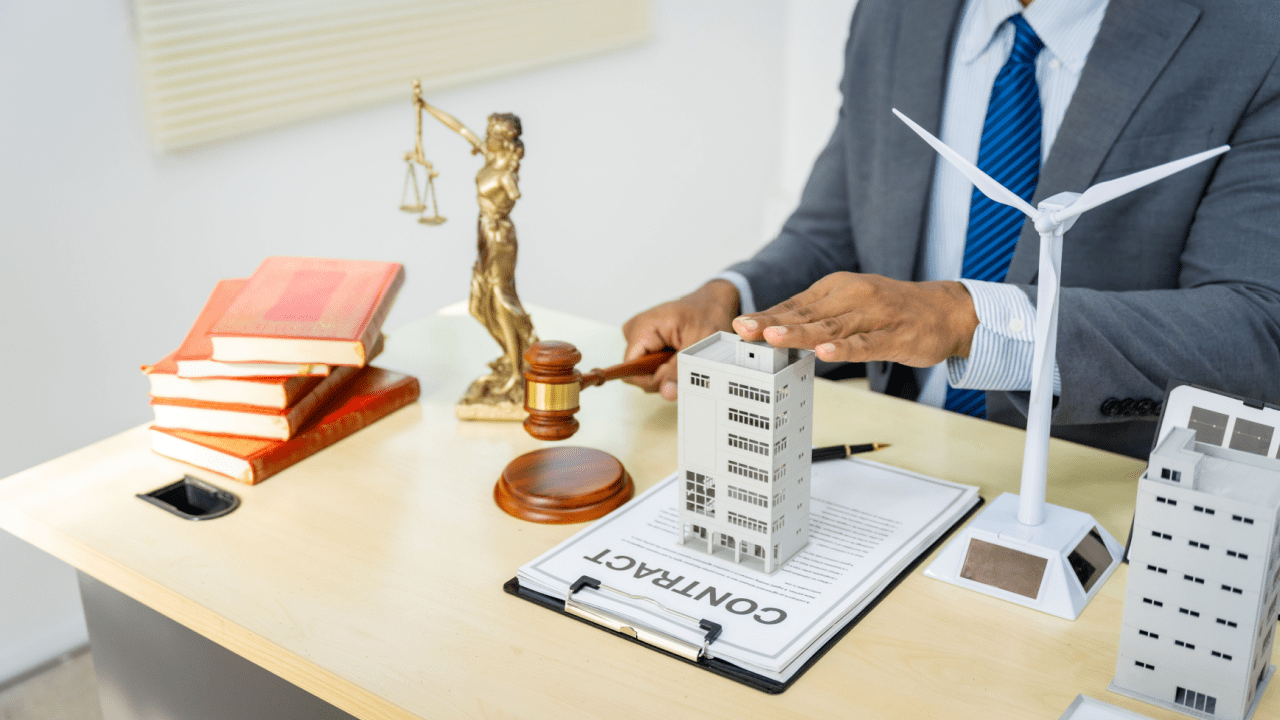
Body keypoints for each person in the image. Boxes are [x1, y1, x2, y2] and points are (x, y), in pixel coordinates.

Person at [623, 0, 1280, 458]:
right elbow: (832, 236)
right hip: (896, 458)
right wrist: (734, 296)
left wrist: (971, 320)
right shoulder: (894, 13)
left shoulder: (1255, 40)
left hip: (1095, 486)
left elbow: (1255, 328)